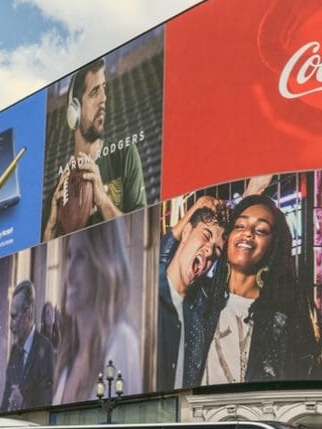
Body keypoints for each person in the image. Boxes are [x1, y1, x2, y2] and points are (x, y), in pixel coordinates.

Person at [188, 194, 322, 387]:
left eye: (261, 230)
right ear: (227, 238)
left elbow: (309, 381)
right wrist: (197, 207)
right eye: (240, 226)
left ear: (273, 247)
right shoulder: (199, 299)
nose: (248, 233)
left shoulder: (285, 317)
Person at [43, 57, 146, 241]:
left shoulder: (124, 154)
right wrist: (50, 231)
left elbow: (140, 237)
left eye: (104, 89)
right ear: (73, 111)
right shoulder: (58, 191)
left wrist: (103, 201)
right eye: (94, 92)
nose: (103, 99)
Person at [52, 221, 143, 405]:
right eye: (70, 256)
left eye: (81, 256)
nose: (68, 274)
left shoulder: (121, 342)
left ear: (102, 263)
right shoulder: (68, 358)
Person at [157, 195, 227, 390]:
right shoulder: (147, 292)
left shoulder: (202, 310)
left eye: (216, 251)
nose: (208, 251)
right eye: (205, 236)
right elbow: (162, 253)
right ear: (186, 233)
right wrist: (196, 206)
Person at [0, 280, 56, 411]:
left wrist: (22, 405)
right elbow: (4, 404)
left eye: (14, 316)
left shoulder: (46, 348)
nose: (10, 325)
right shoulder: (14, 351)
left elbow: (47, 408)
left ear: (28, 312)